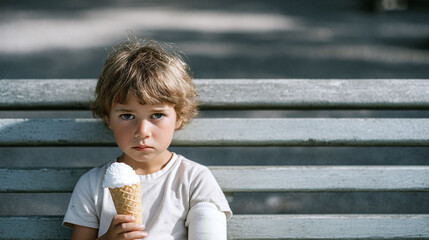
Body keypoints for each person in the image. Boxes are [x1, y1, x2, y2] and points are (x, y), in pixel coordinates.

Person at [63, 38, 232, 240]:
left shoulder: (194, 179)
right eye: (127, 116)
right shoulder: (92, 185)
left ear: (179, 117)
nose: (142, 131)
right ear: (108, 118)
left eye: (157, 115)